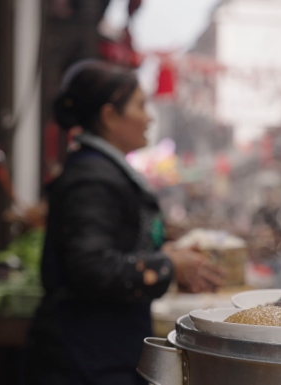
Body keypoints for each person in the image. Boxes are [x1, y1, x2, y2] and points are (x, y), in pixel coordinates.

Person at [23, 61, 223, 385]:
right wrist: (167, 265)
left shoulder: (104, 171)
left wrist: (171, 260)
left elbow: (119, 249)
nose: (150, 117)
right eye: (141, 106)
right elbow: (90, 266)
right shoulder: (92, 179)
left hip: (103, 351)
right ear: (109, 116)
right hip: (83, 357)